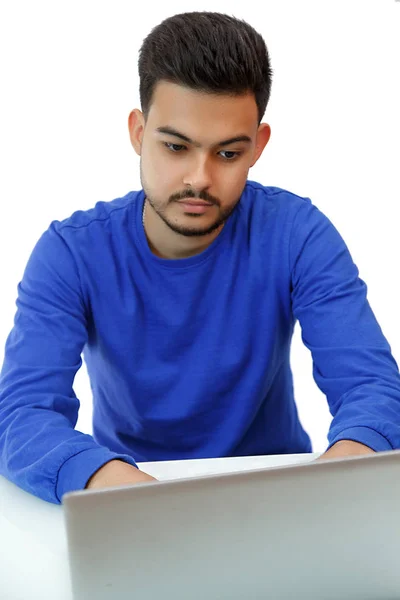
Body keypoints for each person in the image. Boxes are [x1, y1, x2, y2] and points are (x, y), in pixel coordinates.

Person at [1, 11, 400, 506]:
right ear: (137, 132)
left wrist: (332, 485)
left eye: (228, 154)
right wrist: (122, 491)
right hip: (126, 494)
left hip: (277, 494)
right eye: (175, 146)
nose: (199, 178)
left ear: (257, 146)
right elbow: (22, 415)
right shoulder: (70, 252)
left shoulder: (298, 233)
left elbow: (372, 387)